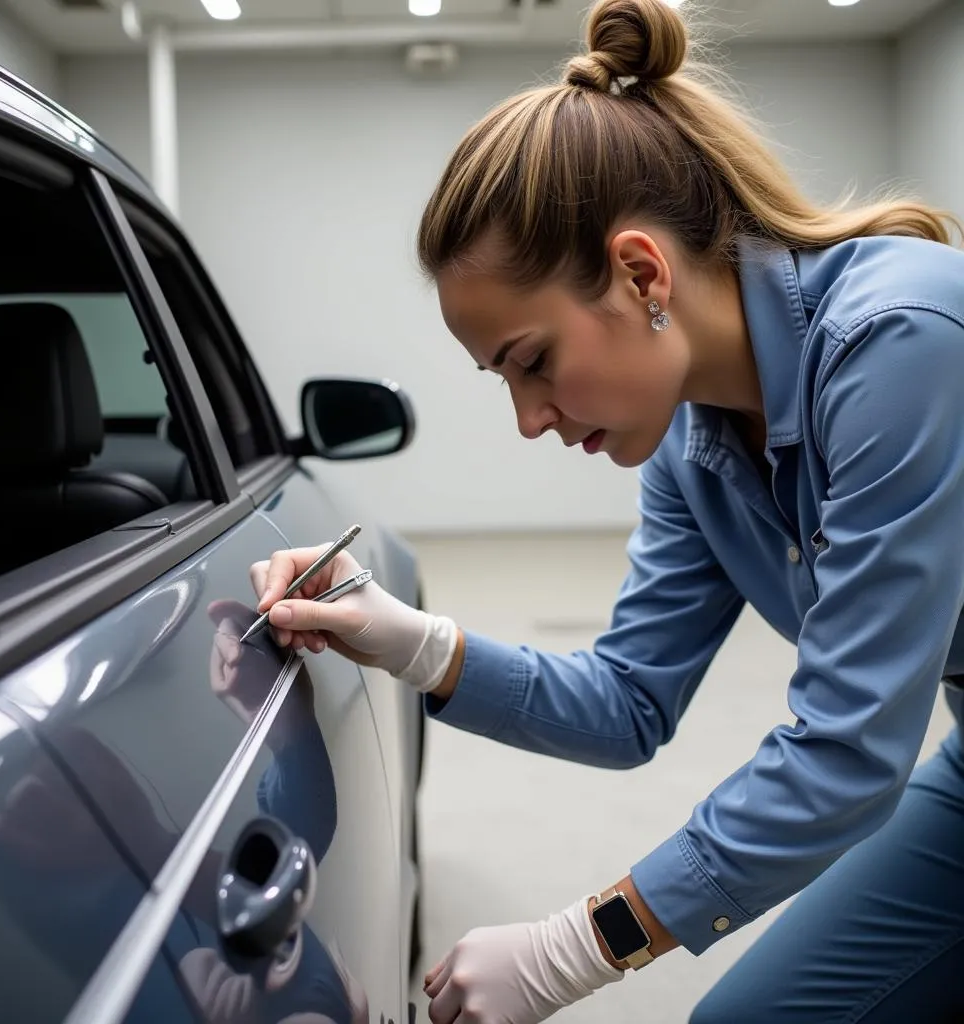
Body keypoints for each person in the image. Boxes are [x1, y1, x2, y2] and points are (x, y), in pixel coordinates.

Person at [249, 0, 964, 1020]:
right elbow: (630, 701)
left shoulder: (900, 342)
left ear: (640, 273)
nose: (529, 419)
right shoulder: (692, 443)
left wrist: (579, 944)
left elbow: (850, 752)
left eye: (530, 362)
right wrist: (409, 643)